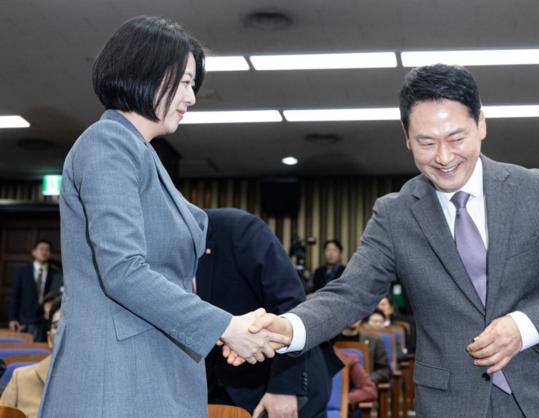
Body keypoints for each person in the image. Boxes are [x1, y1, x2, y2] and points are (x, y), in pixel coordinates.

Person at [244, 64, 539, 418]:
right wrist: (291, 327)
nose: (444, 157)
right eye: (427, 143)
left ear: (481, 124)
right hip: (451, 402)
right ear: (406, 138)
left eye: (456, 138)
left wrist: (525, 325)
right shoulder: (395, 214)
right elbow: (350, 293)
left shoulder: (535, 190)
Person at [38, 16, 287, 418]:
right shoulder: (108, 143)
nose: (191, 97)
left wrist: (232, 327)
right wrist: (227, 327)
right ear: (147, 72)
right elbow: (123, 271)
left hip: (150, 368)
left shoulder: (142, 154)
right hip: (116, 378)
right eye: (185, 82)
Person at [196, 208, 342, 417]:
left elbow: (291, 304)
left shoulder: (238, 228)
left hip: (279, 380)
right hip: (213, 388)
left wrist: (284, 387)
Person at [0, 297, 61, 418]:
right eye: (57, 326)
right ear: (49, 338)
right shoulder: (21, 379)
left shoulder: (96, 386)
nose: (63, 333)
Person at [8, 240, 62, 341]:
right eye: (41, 249)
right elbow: (15, 297)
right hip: (25, 321)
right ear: (34, 252)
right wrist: (13, 318)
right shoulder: (23, 272)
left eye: (47, 250)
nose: (44, 252)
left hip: (46, 322)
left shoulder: (55, 274)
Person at [333, 321, 390, 385]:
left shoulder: (374, 340)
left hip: (365, 384)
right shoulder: (331, 342)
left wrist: (367, 379)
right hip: (337, 385)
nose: (353, 319)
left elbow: (384, 370)